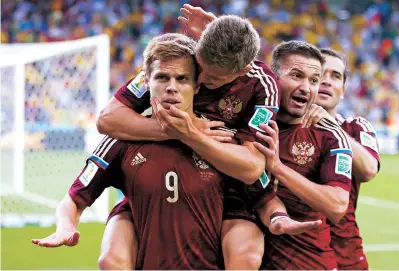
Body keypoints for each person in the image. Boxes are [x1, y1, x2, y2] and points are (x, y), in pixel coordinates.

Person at [30, 33, 273, 269]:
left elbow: (261, 197)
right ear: (146, 81)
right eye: (162, 78)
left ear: (198, 86)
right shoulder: (122, 140)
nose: (171, 88)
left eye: (182, 79)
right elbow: (74, 198)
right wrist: (65, 226)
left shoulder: (220, 140)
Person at [96, 8, 282, 270]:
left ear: (242, 71)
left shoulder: (262, 86)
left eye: (213, 78)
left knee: (246, 256)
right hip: (157, 182)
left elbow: (252, 168)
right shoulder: (181, 60)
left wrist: (192, 136)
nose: (201, 80)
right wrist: (174, 130)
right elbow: (107, 119)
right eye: (199, 70)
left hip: (223, 188)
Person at [252, 40, 354, 270]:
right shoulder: (252, 124)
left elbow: (337, 206)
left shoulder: (330, 136)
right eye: (296, 76)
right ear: (274, 79)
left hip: (307, 263)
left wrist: (277, 167)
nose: (306, 87)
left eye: (313, 80)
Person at [300, 48, 380, 270]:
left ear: (343, 90)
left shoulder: (356, 127)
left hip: (346, 254)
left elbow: (369, 169)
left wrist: (329, 124)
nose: (327, 81)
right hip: (296, 254)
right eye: (321, 74)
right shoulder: (284, 127)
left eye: (335, 76)